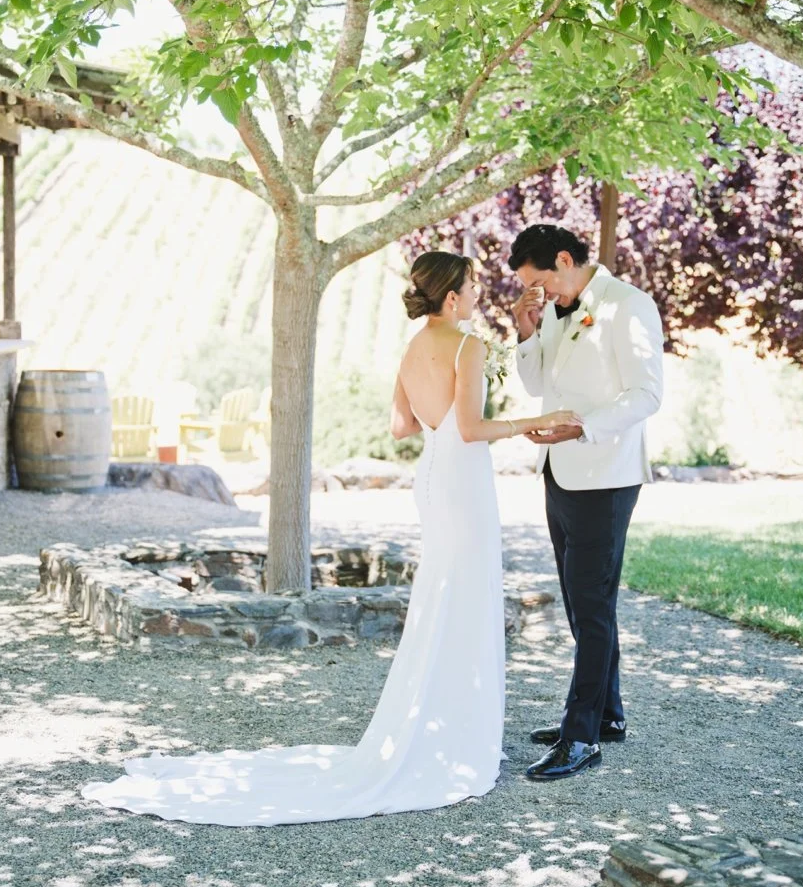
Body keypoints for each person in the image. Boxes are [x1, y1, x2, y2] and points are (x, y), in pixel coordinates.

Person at [80, 250, 576, 825]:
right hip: (463, 481)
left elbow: (400, 426)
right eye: (470, 285)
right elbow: (471, 430)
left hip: (433, 478)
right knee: (464, 597)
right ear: (449, 298)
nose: (477, 293)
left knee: (445, 595)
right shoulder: (468, 345)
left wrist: (439, 411)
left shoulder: (413, 350)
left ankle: (437, 721)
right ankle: (457, 732)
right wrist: (533, 425)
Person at [509, 224, 665, 781]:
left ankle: (581, 738)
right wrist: (525, 332)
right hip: (559, 473)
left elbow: (647, 393)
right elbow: (535, 387)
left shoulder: (628, 306)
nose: (539, 294)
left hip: (606, 475)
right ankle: (608, 717)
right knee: (582, 604)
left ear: (565, 259)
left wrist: (582, 431)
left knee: (592, 607)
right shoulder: (553, 311)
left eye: (540, 283)